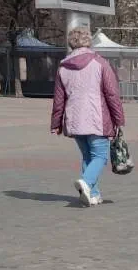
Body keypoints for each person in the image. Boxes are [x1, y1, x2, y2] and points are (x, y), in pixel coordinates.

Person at [51, 27, 125, 208]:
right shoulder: (100, 63)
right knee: (100, 156)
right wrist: (118, 119)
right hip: (96, 117)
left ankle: (93, 194)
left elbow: (59, 98)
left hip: (74, 119)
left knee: (87, 156)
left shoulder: (63, 67)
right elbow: (112, 94)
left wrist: (56, 123)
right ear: (88, 41)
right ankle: (85, 182)